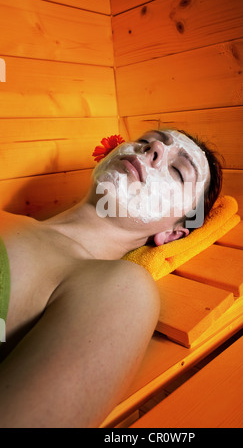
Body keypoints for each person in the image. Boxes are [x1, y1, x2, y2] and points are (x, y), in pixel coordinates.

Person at [0, 129, 222, 428]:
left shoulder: (121, 286)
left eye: (178, 170)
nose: (153, 147)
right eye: (145, 141)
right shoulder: (10, 218)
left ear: (172, 233)